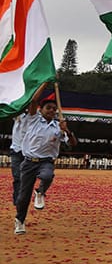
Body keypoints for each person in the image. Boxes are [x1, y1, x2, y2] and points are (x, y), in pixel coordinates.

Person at [14, 86, 77, 234]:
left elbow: (72, 143)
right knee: (23, 197)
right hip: (29, 162)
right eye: (48, 108)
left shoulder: (58, 126)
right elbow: (34, 100)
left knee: (48, 175)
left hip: (46, 161)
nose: (52, 111)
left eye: (54, 109)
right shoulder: (33, 119)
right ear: (41, 109)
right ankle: (20, 220)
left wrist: (66, 130)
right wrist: (47, 81)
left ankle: (41, 191)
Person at [9, 109, 28, 206]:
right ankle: (18, 199)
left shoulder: (34, 118)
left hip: (27, 151)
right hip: (16, 150)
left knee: (26, 178)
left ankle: (23, 197)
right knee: (17, 176)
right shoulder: (17, 115)